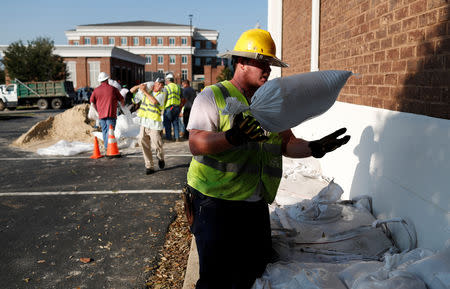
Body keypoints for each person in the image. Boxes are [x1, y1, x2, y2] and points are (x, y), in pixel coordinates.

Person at [185, 28, 350, 289]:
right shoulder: (213, 97)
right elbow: (195, 143)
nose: (268, 69)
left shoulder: (270, 102)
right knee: (217, 279)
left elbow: (287, 143)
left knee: (253, 272)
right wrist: (232, 137)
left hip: (254, 202)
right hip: (215, 204)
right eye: (262, 62)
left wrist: (313, 148)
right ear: (240, 62)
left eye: (270, 64)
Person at [130, 78, 166, 175]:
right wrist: (140, 86)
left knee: (157, 144)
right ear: (155, 83)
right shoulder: (148, 90)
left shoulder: (162, 93)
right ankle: (149, 166)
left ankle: (160, 158)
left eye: (162, 85)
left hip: (155, 124)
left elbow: (154, 102)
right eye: (159, 84)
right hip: (144, 122)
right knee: (142, 141)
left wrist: (144, 91)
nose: (160, 86)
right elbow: (131, 90)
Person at [90, 72, 124, 151]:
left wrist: (97, 111)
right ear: (107, 79)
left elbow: (92, 102)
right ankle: (109, 147)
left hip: (101, 115)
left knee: (105, 131)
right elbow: (121, 99)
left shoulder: (96, 90)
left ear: (100, 81)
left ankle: (106, 147)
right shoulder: (113, 89)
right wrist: (123, 106)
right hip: (111, 114)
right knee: (110, 131)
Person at [162, 73, 182, 141]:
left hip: (169, 107)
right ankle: (177, 137)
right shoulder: (178, 87)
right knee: (175, 123)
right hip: (176, 107)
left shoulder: (166, 87)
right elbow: (181, 97)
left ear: (168, 80)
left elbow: (164, 98)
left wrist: (162, 107)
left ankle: (169, 137)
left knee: (167, 123)